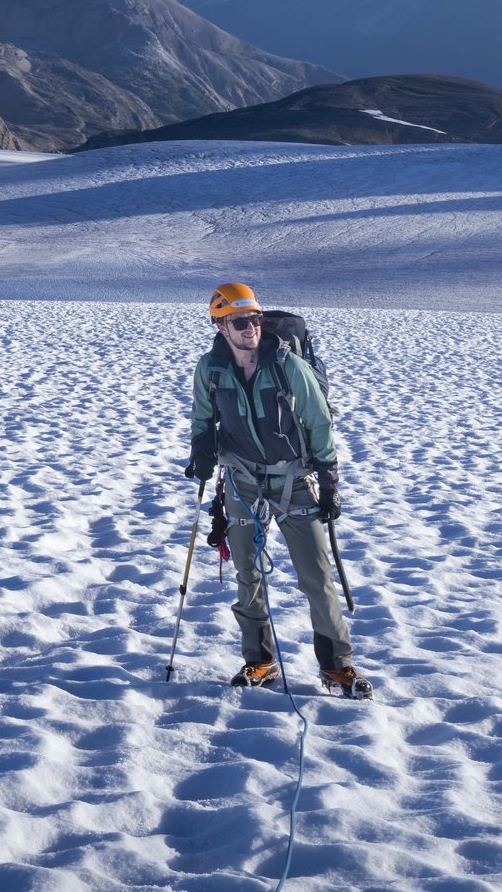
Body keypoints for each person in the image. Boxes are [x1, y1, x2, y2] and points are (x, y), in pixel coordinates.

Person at [185, 281, 371, 699]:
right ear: (220, 327)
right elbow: (202, 415)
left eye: (254, 318)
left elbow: (319, 421)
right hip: (241, 481)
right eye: (239, 321)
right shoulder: (210, 369)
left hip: (293, 480)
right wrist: (201, 450)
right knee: (247, 573)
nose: (250, 326)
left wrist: (328, 478)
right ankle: (260, 660)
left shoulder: (288, 365)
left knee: (316, 576)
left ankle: (337, 666)